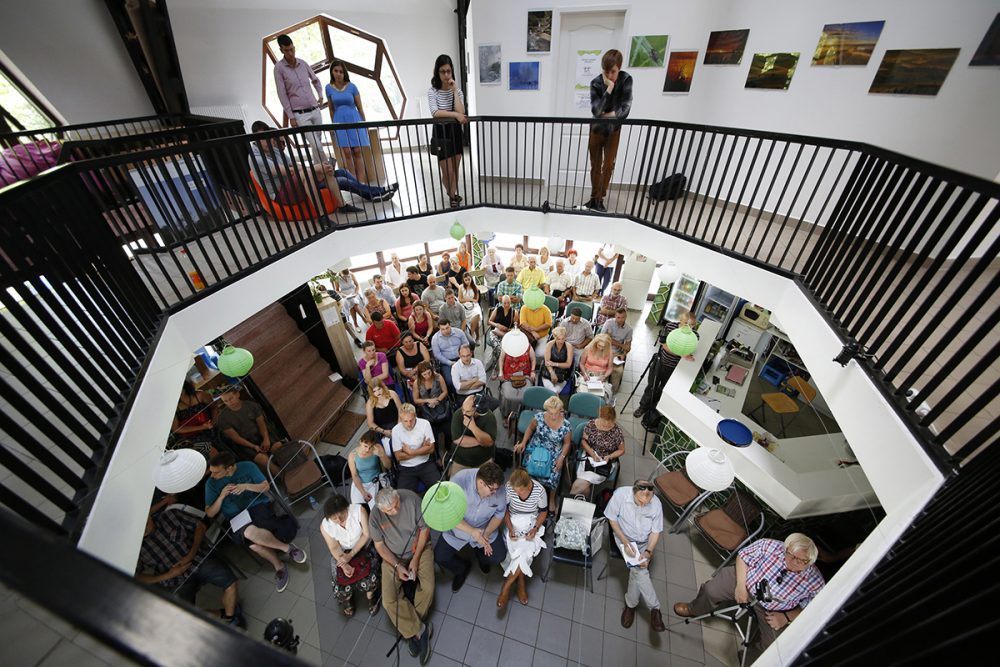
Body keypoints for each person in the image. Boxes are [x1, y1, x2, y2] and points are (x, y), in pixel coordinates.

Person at [674, 534, 826, 664]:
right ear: (786, 548)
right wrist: (740, 586)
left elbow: (814, 607)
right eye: (791, 555)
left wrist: (786, 617)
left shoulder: (815, 581)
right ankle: (694, 609)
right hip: (745, 581)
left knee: (774, 647)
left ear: (810, 561)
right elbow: (743, 556)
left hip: (774, 609)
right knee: (711, 590)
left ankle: (748, 660)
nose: (794, 562)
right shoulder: (770, 545)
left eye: (801, 561)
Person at [137, 494, 245, 628]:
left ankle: (230, 619)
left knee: (231, 582)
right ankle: (223, 614)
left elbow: (200, 526)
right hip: (175, 579)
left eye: (145, 523)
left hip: (198, 559)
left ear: (149, 515)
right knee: (183, 614)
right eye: (139, 527)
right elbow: (138, 577)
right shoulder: (135, 548)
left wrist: (191, 553)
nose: (143, 529)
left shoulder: (170, 516)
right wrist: (168, 575)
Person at [205, 451, 305, 593]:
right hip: (236, 517)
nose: (212, 476)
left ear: (230, 468)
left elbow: (266, 487)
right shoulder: (211, 484)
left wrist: (246, 486)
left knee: (254, 545)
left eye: (216, 472)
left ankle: (279, 566)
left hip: (256, 505)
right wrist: (221, 497)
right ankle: (287, 548)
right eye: (211, 472)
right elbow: (210, 513)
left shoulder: (247, 466)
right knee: (251, 536)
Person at [249, 121, 387, 213]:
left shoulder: (275, 151)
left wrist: (316, 167)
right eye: (262, 138)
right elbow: (286, 171)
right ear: (255, 139)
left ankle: (373, 192)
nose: (267, 141)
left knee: (339, 171)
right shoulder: (256, 158)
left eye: (267, 137)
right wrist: (315, 168)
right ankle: (373, 193)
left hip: (293, 182)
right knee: (340, 180)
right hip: (281, 193)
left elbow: (294, 165)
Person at [369, 488, 434, 664]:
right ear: (381, 510)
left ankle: (413, 630)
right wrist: (397, 566)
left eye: (396, 505)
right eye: (389, 510)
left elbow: (425, 530)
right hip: (393, 557)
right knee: (388, 600)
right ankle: (420, 629)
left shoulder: (411, 498)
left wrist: (416, 558)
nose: (394, 511)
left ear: (397, 497)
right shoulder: (375, 517)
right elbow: (380, 547)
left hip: (419, 549)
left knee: (428, 588)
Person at [433, 462, 508, 591]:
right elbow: (448, 513)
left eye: (497, 489)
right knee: (440, 557)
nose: (496, 492)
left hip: (484, 529)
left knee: (499, 556)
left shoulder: (499, 489)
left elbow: (499, 514)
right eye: (492, 489)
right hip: (457, 529)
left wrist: (485, 535)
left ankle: (482, 557)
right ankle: (461, 569)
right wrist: (472, 532)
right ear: (481, 483)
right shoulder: (459, 481)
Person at [605, 480, 665, 632]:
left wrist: (648, 552)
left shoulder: (656, 504)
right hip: (624, 537)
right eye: (640, 501)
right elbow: (612, 519)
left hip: (644, 542)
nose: (644, 504)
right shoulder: (620, 495)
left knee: (637, 570)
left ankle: (631, 605)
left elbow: (655, 532)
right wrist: (625, 542)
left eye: (647, 501)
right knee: (639, 569)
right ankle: (655, 609)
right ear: (633, 492)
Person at [584, 49, 633, 213]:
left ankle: (599, 198)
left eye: (613, 71)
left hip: (614, 131)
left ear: (619, 67)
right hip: (597, 130)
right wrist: (609, 88)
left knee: (609, 166)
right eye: (607, 72)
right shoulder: (596, 83)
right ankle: (594, 198)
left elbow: (625, 110)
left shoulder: (626, 79)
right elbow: (596, 112)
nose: (610, 75)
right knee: (595, 166)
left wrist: (610, 115)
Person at [321, 494, 381, 616]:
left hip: (362, 546)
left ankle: (370, 597)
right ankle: (347, 600)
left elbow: (366, 534)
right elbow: (334, 547)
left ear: (347, 508)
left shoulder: (359, 511)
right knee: (339, 582)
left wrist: (352, 553)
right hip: (342, 552)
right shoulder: (325, 525)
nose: (339, 520)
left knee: (370, 579)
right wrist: (343, 563)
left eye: (341, 515)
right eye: (334, 518)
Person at [498, 468, 548, 609]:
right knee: (516, 550)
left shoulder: (539, 491)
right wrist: (510, 527)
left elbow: (543, 513)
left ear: (528, 485)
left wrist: (535, 528)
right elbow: (506, 509)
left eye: (519, 491)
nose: (516, 493)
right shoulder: (509, 487)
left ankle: (507, 586)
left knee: (525, 551)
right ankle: (521, 581)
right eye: (514, 490)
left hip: (531, 522)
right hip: (513, 520)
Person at [634, 310, 698, 419]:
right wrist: (682, 354)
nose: (689, 327)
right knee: (651, 386)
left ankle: (653, 408)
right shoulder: (669, 326)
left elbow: (690, 350)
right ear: (680, 320)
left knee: (663, 388)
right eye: (686, 323)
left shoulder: (695, 335)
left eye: (691, 325)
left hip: (675, 368)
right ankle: (642, 406)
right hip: (661, 362)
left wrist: (686, 354)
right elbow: (664, 345)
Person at [273, 34, 326, 164]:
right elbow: (282, 94)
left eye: (292, 49)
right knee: (317, 146)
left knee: (316, 145)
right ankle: (328, 169)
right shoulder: (279, 69)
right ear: (281, 50)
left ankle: (318, 173)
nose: (290, 53)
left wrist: (320, 95)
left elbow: (315, 80)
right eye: (287, 50)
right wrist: (291, 116)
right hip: (300, 115)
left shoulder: (303, 63)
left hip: (315, 110)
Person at [514, 395, 572, 507]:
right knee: (529, 469)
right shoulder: (538, 418)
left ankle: (551, 499)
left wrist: (562, 457)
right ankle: (530, 492)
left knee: (555, 472)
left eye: (556, 413)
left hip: (554, 452)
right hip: (536, 448)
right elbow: (530, 429)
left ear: (561, 410)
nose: (553, 416)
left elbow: (567, 443)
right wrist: (523, 442)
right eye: (550, 413)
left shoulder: (566, 426)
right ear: (546, 410)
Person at [428, 54, 467, 208]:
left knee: (455, 171)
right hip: (441, 133)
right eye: (442, 71)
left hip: (455, 132)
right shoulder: (433, 91)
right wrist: (455, 115)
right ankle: (451, 194)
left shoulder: (457, 91)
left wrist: (455, 91)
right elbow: (435, 113)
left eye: (448, 71)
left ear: (452, 72)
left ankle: (452, 195)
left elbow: (461, 110)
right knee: (448, 172)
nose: (446, 75)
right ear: (437, 73)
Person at [216, 387, 283, 473]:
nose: (229, 402)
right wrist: (253, 446)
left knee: (277, 447)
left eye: (231, 398)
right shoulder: (222, 418)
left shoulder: (251, 405)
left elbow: (261, 423)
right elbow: (235, 438)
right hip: (245, 442)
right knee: (263, 459)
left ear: (237, 394)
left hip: (260, 434)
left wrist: (266, 439)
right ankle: (281, 474)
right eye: (225, 401)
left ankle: (290, 467)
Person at [325, 59, 369, 184]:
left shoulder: (352, 86)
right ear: (332, 72)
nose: (338, 73)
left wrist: (365, 124)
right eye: (336, 71)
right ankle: (354, 182)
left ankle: (362, 182)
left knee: (357, 151)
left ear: (344, 73)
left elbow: (360, 107)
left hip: (354, 119)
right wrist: (333, 125)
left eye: (341, 71)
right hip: (339, 120)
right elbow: (331, 109)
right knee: (347, 152)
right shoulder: (328, 88)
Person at [570, 405, 626, 496]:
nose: (607, 425)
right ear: (599, 416)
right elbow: (583, 441)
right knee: (584, 487)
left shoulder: (617, 431)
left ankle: (568, 499)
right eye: (604, 421)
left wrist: (610, 456)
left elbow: (622, 450)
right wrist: (592, 454)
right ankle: (583, 503)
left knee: (580, 484)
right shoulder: (591, 425)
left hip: (604, 463)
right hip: (589, 458)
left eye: (610, 422)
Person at [388, 403, 440, 493]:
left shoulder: (425, 424)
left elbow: (431, 449)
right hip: (406, 468)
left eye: (411, 420)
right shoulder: (396, 430)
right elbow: (399, 457)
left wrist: (410, 452)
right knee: (402, 496)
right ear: (400, 419)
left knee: (440, 489)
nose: (409, 424)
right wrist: (422, 448)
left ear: (415, 416)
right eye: (405, 421)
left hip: (425, 463)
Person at [449, 394, 497, 477]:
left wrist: (473, 427)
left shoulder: (489, 417)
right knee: (454, 484)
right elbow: (457, 439)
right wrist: (481, 441)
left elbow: (489, 442)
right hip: (460, 461)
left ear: (477, 410)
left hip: (483, 460)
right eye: (463, 409)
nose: (463, 413)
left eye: (467, 411)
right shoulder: (458, 414)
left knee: (488, 484)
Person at [411, 360, 451, 459]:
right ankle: (436, 456)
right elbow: (416, 400)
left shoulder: (438, 377)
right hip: (427, 411)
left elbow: (445, 391)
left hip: (440, 407)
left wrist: (437, 400)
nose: (427, 376)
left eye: (429, 373)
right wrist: (428, 400)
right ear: (420, 374)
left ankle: (449, 450)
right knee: (432, 435)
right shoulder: (417, 383)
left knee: (448, 432)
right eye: (424, 374)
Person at [170, 380, 218, 457]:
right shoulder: (173, 407)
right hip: (189, 437)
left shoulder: (200, 395)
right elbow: (176, 429)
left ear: (184, 387)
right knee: (209, 449)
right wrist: (202, 427)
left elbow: (214, 407)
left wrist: (214, 422)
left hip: (210, 427)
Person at [347, 429, 391, 508]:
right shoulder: (352, 455)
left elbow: (388, 466)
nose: (367, 450)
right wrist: (363, 492)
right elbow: (354, 475)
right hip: (360, 483)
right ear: (360, 442)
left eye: (370, 447)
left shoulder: (377, 448)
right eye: (365, 446)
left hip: (375, 481)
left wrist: (382, 455)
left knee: (376, 506)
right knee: (357, 507)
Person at [498, 332, 536, 418]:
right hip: (508, 376)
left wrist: (532, 371)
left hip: (525, 375)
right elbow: (501, 360)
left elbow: (533, 359)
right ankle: (507, 415)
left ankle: (524, 414)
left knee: (525, 394)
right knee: (508, 396)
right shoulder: (506, 346)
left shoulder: (527, 346)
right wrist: (500, 372)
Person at [430, 319, 470, 389]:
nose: (446, 331)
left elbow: (466, 344)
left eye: (447, 328)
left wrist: (463, 358)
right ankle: (456, 396)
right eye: (443, 329)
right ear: (439, 329)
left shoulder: (459, 332)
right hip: (446, 362)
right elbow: (437, 354)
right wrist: (450, 363)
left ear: (450, 326)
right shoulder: (435, 338)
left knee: (469, 376)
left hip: (462, 357)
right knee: (450, 381)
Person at [602, 307, 633, 394]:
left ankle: (612, 392)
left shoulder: (629, 329)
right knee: (603, 367)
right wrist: (621, 345)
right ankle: (603, 389)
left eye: (622, 317)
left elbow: (628, 346)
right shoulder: (609, 323)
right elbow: (604, 338)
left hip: (617, 353)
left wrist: (624, 354)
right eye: (618, 317)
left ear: (626, 317)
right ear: (615, 316)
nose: (620, 319)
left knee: (618, 371)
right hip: (604, 349)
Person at [579, 334, 615, 402]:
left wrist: (605, 376)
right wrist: (584, 374)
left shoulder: (609, 352)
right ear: (595, 343)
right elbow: (581, 363)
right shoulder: (587, 349)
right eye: (599, 345)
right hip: (587, 374)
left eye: (603, 347)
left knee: (601, 395)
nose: (601, 348)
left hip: (601, 376)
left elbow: (610, 368)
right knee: (583, 394)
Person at [541, 326, 573, 394]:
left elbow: (568, 364)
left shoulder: (569, 346)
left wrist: (555, 364)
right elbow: (547, 362)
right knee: (554, 392)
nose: (561, 341)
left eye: (563, 339)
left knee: (552, 392)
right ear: (554, 337)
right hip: (548, 372)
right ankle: (556, 401)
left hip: (562, 374)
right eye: (558, 339)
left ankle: (550, 402)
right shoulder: (549, 344)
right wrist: (552, 373)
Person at [458, 273, 483, 341]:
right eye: (466, 280)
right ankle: (477, 337)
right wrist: (470, 299)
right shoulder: (461, 287)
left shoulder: (475, 287)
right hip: (464, 306)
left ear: (471, 278)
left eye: (469, 279)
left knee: (477, 314)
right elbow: (460, 300)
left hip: (474, 306)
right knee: (476, 321)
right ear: (463, 280)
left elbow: (476, 300)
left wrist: (471, 300)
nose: (468, 281)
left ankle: (471, 336)